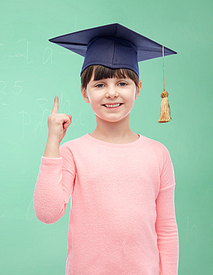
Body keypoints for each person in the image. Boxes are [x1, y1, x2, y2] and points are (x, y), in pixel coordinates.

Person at [33, 23, 179, 274]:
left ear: (138, 89)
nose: (111, 93)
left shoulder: (158, 154)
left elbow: (166, 229)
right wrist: (52, 144)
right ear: (84, 92)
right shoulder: (72, 152)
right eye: (99, 85)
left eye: (122, 83)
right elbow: (48, 213)